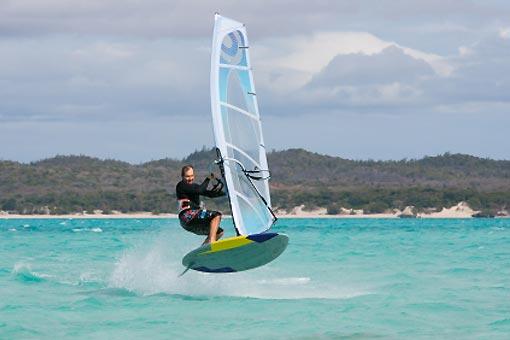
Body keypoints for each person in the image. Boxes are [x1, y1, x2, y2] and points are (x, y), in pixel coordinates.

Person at [176, 164, 225, 244]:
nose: (190, 178)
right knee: (216, 215)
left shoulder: (194, 187)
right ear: (182, 176)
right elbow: (200, 190)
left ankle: (203, 249)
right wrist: (208, 178)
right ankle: (212, 242)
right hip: (187, 217)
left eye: (192, 176)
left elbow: (210, 194)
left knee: (218, 232)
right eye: (187, 176)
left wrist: (226, 192)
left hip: (192, 221)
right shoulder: (181, 185)